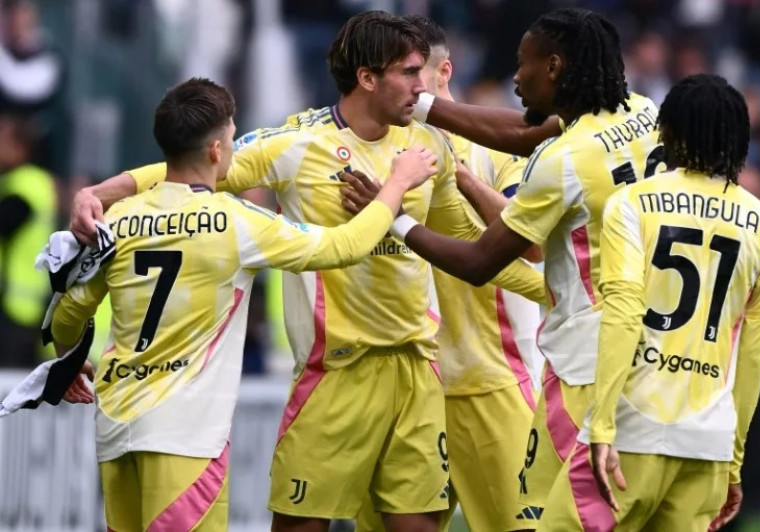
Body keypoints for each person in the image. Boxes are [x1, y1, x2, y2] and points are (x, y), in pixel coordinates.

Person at [68, 12, 545, 532]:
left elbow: (473, 253)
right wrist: (102, 192)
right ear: (367, 78)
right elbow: (191, 167)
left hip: (417, 371)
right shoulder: (295, 144)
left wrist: (555, 291)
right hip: (336, 375)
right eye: (409, 74)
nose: (422, 88)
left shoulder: (426, 147)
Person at [51, 77, 439, 532]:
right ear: (216, 151)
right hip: (185, 434)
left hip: (116, 425)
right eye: (234, 138)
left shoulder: (119, 217)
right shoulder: (236, 222)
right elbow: (345, 246)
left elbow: (69, 314)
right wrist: (396, 186)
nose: (236, 149)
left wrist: (70, 359)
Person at [344, 8, 664, 530]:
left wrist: (393, 220)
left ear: (556, 66)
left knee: (546, 520)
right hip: (641, 346)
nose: (514, 76)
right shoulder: (638, 110)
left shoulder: (560, 162)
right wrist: (425, 108)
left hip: (582, 361)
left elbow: (480, 261)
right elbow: (524, 131)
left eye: (524, 63)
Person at [540, 74, 760, 532]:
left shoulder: (632, 204)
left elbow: (623, 312)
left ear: (667, 132)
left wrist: (603, 427)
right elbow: (752, 355)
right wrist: (733, 462)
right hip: (707, 448)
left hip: (631, 431)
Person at [352, 15, 544, 532]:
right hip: (410, 384)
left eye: (418, 75)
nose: (409, 90)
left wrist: (457, 175)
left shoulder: (501, 145)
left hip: (491, 379)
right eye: (400, 76)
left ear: (443, 73)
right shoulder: (377, 152)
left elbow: (530, 246)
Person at [0, 114, 56, 367]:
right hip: (20, 308)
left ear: (20, 147)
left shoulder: (29, 183)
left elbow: (7, 220)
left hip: (14, 308)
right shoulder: (23, 181)